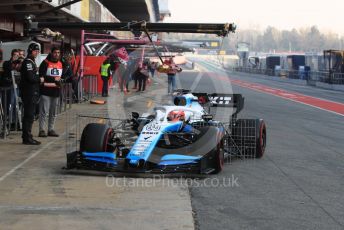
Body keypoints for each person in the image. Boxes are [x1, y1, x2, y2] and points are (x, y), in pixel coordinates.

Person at [20, 43, 43, 145]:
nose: (36, 53)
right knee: (29, 115)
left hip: (32, 92)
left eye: (38, 51)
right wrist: (40, 79)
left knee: (30, 115)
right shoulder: (28, 62)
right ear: (30, 50)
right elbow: (31, 77)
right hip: (29, 93)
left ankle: (27, 136)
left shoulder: (31, 61)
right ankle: (27, 137)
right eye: (35, 51)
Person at [38, 47, 63, 137]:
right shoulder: (45, 63)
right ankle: (41, 130)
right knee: (44, 112)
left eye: (58, 52)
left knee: (53, 113)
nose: (57, 54)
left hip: (56, 91)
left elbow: (61, 77)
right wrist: (53, 79)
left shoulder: (60, 64)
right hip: (45, 91)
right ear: (51, 53)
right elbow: (41, 76)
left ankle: (51, 129)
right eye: (55, 52)